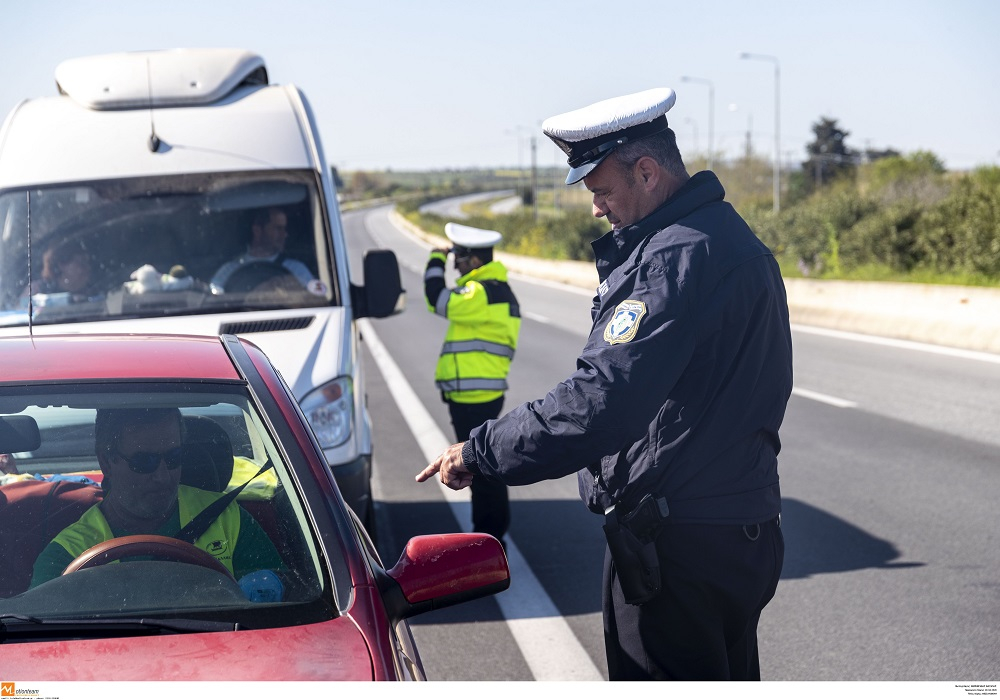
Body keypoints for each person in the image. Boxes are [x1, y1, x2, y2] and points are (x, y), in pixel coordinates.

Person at [416, 87, 793, 681]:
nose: (596, 208)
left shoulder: (670, 260)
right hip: (743, 530)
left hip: (678, 544)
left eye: (601, 190)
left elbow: (599, 402)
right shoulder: (732, 239)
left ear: (646, 172)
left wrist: (480, 451)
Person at [30, 407, 285, 601]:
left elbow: (291, 596)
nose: (163, 476)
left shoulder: (227, 516)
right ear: (106, 461)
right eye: (144, 462)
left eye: (174, 457)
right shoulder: (66, 556)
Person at [424, 223, 521, 544]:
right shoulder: (492, 289)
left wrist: (435, 259)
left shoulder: (481, 292)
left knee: (481, 465)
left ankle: (489, 539)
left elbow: (435, 299)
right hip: (478, 392)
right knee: (480, 463)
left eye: (459, 258)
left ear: (475, 261)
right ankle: (490, 535)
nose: (455, 264)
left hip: (475, 395)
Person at [210, 207, 316, 293]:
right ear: (257, 230)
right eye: (278, 229)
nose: (285, 234)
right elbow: (214, 298)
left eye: (284, 229)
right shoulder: (228, 270)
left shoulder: (297, 269)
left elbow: (313, 299)